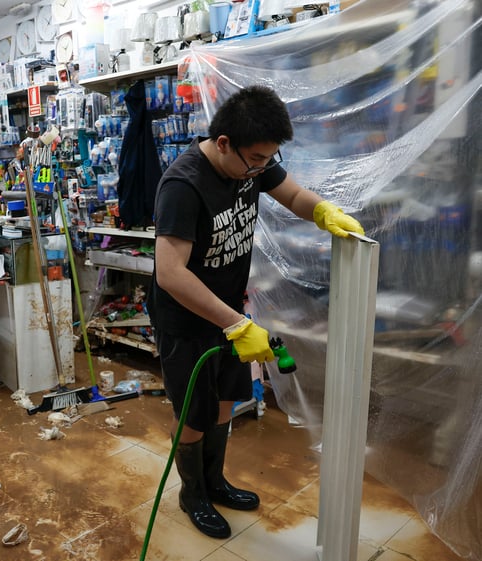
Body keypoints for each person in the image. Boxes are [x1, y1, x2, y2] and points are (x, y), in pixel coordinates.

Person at [149, 85, 364, 539]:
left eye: (270, 158)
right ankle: (192, 494)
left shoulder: (251, 162)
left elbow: (291, 195)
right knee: (193, 413)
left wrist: (323, 212)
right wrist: (235, 322)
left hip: (230, 315)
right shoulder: (183, 185)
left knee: (227, 400)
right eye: (258, 160)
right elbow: (170, 274)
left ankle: (214, 481)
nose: (263, 168)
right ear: (223, 143)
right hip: (187, 321)